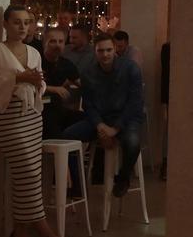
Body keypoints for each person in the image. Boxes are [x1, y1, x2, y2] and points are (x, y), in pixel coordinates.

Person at [0, 5, 72, 237]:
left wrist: (37, 83)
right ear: (5, 24)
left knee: (27, 177)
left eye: (26, 22)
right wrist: (18, 79)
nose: (22, 27)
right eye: (17, 22)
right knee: (28, 172)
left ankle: (20, 234)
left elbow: (40, 84)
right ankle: (44, 231)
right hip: (9, 117)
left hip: (32, 116)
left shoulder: (33, 52)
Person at [62, 31, 145, 200]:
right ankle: (78, 186)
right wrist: (101, 127)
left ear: (115, 49)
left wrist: (115, 129)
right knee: (66, 137)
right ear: (95, 51)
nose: (105, 54)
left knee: (133, 142)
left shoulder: (130, 68)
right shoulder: (88, 73)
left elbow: (134, 103)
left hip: (126, 119)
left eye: (108, 50)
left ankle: (123, 178)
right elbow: (88, 105)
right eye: (101, 51)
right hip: (101, 120)